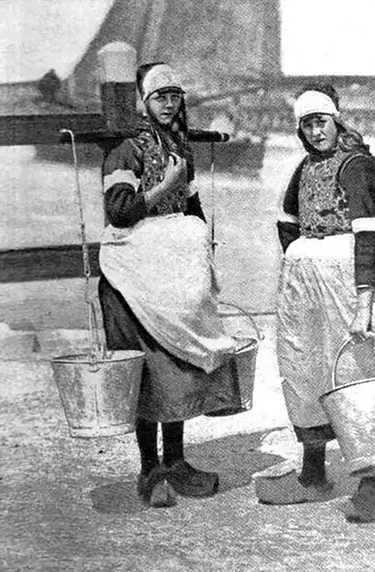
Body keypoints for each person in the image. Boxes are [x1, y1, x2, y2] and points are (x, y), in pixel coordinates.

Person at [256, 83, 375, 522]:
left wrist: (364, 303)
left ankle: (371, 484)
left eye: (322, 122)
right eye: (308, 125)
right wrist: (301, 261)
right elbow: (288, 221)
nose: (317, 132)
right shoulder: (303, 169)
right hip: (307, 288)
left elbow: (370, 236)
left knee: (361, 374)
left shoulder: (357, 168)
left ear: (336, 121)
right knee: (305, 369)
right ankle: (313, 475)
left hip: (351, 280)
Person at [98, 63, 241, 508]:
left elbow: (193, 205)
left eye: (175, 95)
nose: (169, 103)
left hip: (174, 276)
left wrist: (202, 261)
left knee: (178, 367)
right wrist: (165, 186)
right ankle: (149, 468)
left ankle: (176, 460)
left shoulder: (180, 148)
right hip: (133, 277)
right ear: (143, 101)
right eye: (160, 96)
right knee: (147, 373)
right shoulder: (125, 151)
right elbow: (119, 211)